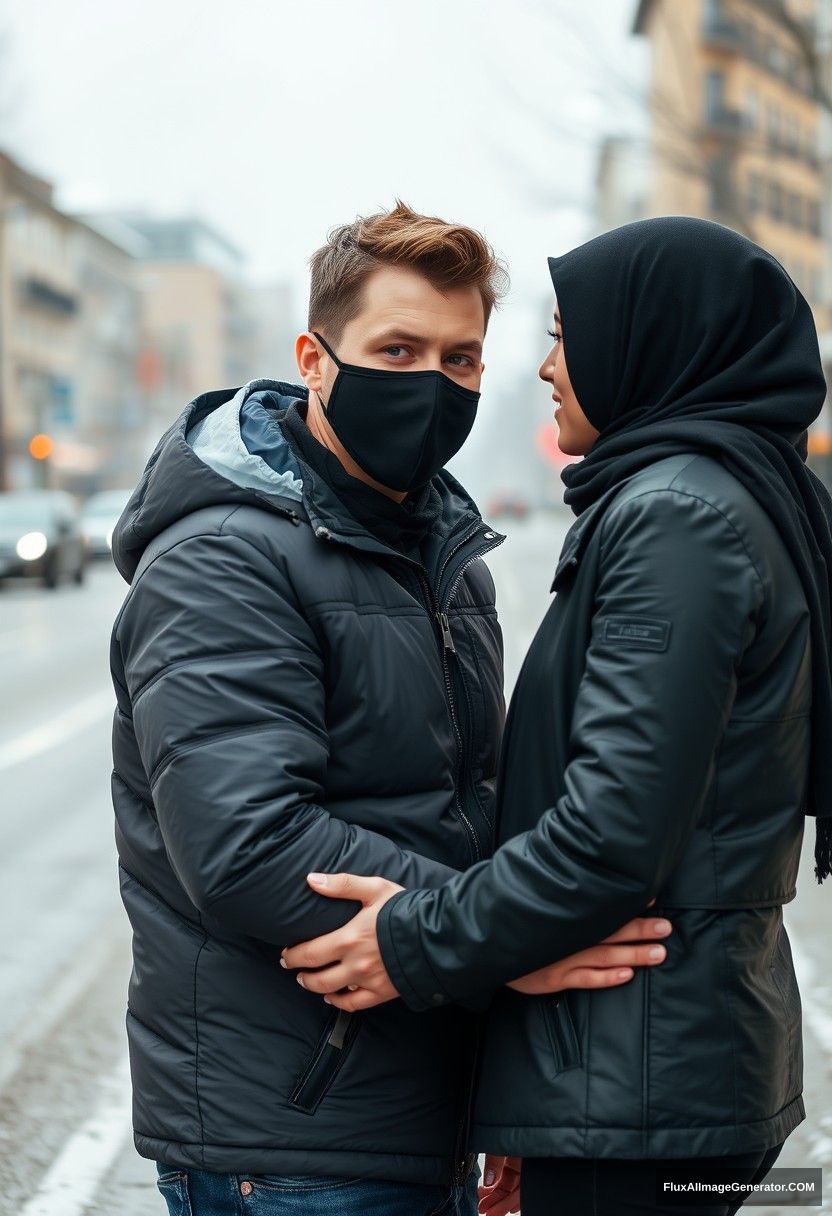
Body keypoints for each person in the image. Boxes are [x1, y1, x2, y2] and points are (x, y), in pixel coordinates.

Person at [108, 202, 672, 1216]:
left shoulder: (443, 558)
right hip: (290, 1138)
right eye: (397, 348)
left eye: (460, 360)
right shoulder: (221, 558)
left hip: (414, 1111)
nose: (430, 383)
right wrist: (509, 938)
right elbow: (248, 844)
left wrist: (503, 1101)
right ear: (313, 358)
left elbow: (459, 811)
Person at [282, 216, 832, 1216]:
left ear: (652, 340)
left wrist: (410, 939)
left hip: (636, 1077)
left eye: (568, 335)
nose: (542, 367)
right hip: (646, 1070)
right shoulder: (719, 494)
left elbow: (609, 835)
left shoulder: (675, 516)